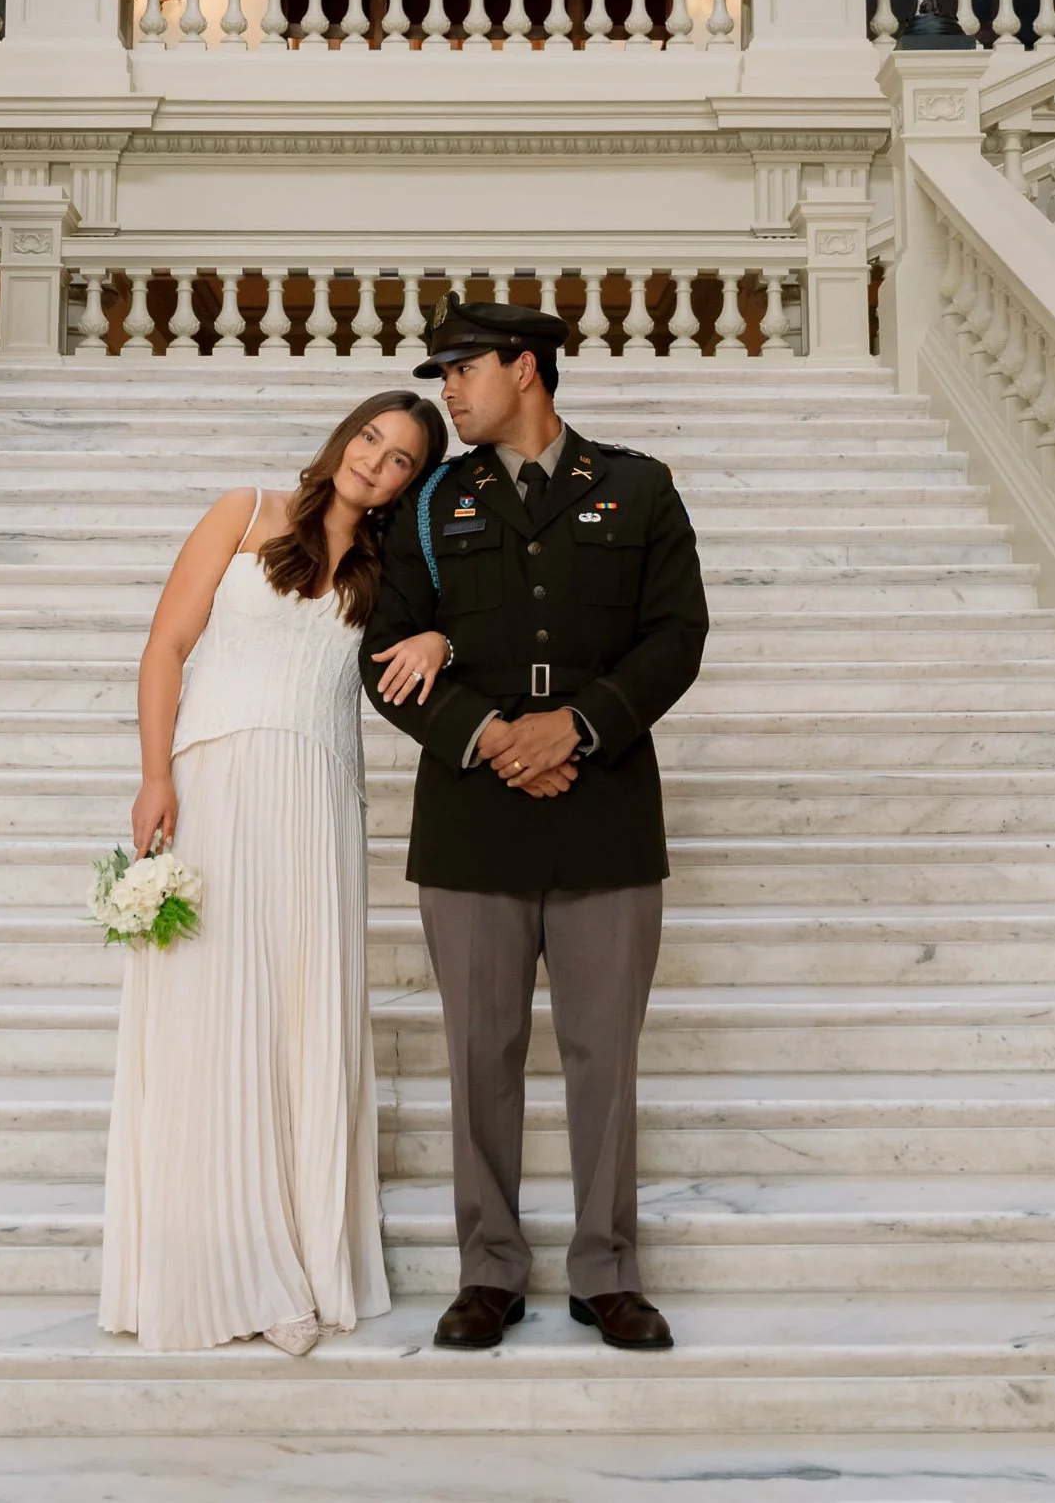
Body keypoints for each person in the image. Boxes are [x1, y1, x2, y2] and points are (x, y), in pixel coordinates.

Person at [361, 298, 708, 1355]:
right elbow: (384, 653)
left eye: (460, 370)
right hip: (472, 815)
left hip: (603, 808)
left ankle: (606, 1270)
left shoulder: (637, 486)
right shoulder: (425, 503)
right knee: (480, 1052)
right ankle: (488, 1270)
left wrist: (576, 726)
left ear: (524, 366)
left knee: (604, 1052)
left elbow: (675, 634)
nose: (446, 392)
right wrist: (496, 737)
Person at [100, 389, 449, 1356]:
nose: (375, 461)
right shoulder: (244, 512)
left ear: (409, 485)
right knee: (216, 1013)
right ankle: (225, 1265)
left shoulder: (391, 572)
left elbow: (452, 639)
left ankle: (298, 1253)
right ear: (346, 436)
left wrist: (440, 635)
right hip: (218, 780)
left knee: (300, 1017)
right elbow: (166, 646)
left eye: (401, 460)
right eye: (371, 438)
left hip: (317, 801)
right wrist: (154, 775)